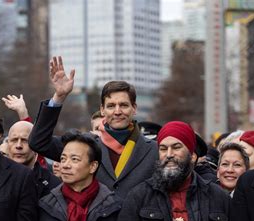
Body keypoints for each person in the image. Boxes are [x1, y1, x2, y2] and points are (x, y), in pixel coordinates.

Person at [29, 56, 158, 198]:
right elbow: (38, 142)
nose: (117, 111)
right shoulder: (84, 144)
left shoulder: (154, 149)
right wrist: (59, 97)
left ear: (134, 108)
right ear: (102, 110)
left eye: (123, 105)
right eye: (110, 106)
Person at [7, 121, 60, 197]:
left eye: (25, 140)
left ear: (36, 145)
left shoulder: (54, 185)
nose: (18, 145)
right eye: (14, 140)